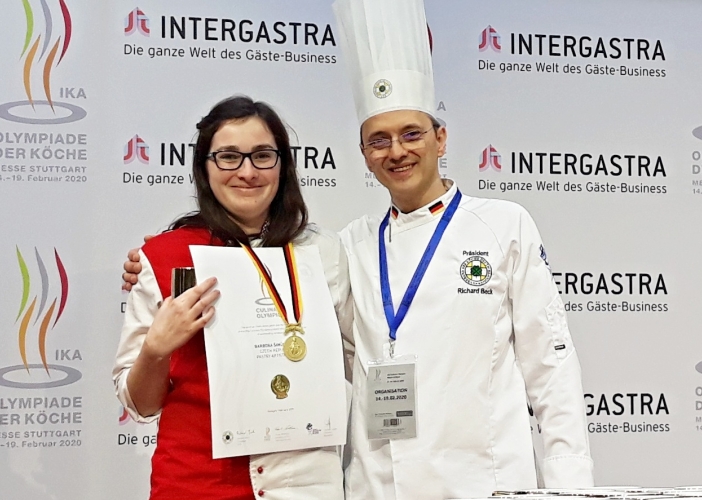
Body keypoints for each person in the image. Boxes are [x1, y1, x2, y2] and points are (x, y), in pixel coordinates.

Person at [124, 1, 595, 498]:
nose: (397, 151)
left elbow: (551, 367)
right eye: (379, 140)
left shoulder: (503, 225)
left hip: (483, 481)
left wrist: (570, 486)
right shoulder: (347, 245)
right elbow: (266, 272)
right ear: (364, 153)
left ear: (440, 138)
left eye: (411, 134)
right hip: (376, 484)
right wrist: (155, 263)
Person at [114, 95, 352, 500]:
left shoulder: (324, 251)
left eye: (262, 156)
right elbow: (141, 405)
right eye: (228, 157)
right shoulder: (165, 256)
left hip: (303, 483)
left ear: (282, 164)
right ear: (204, 167)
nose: (247, 172)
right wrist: (154, 349)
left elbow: (354, 360)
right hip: (198, 483)